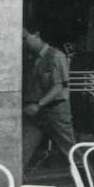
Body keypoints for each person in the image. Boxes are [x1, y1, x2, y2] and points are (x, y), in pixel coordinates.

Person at [22, 19, 75, 171]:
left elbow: (59, 86)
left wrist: (38, 105)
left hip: (56, 112)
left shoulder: (56, 56)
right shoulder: (32, 58)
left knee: (72, 154)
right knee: (22, 152)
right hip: (36, 114)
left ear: (37, 35)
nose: (23, 43)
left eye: (25, 38)